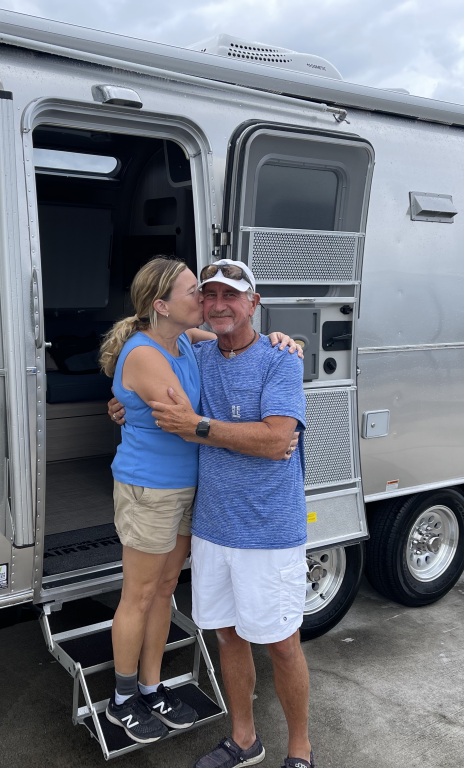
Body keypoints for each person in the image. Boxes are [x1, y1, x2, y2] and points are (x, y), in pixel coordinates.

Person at [118, 258, 314, 768]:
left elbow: (277, 440)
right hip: (210, 528)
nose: (219, 304)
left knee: (283, 645)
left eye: (232, 295)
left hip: (268, 532)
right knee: (228, 636)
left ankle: (300, 750)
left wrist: (198, 427)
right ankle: (244, 741)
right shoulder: (196, 352)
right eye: (209, 294)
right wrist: (124, 406)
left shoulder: (280, 359)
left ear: (254, 302)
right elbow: (147, 369)